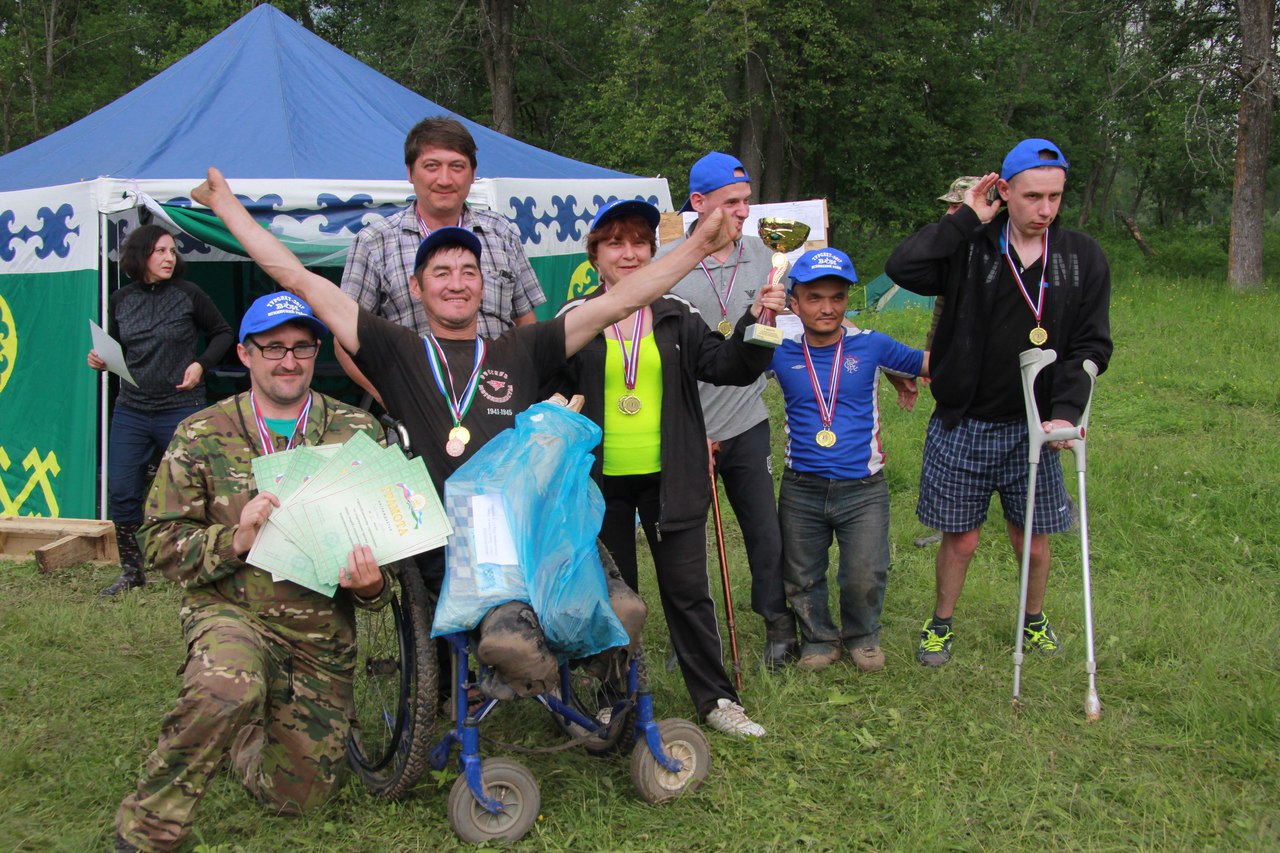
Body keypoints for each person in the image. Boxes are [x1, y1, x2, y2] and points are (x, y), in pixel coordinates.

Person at [189, 168, 768, 735]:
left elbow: (618, 302)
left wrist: (695, 246)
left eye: (469, 270)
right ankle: (514, 668)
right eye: (441, 271)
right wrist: (228, 208)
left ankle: (603, 693)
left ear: (485, 286)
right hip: (462, 552)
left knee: (625, 612)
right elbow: (301, 281)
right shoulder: (396, 351)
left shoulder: (522, 347)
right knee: (510, 644)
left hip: (534, 535)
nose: (458, 281)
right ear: (417, 289)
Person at [113, 293, 387, 853]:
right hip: (233, 612)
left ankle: (247, 731)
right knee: (224, 685)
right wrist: (234, 538)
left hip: (319, 635)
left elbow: (388, 550)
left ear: (317, 352)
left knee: (299, 799)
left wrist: (373, 586)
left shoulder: (358, 434)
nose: (289, 361)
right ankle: (149, 830)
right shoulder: (201, 434)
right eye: (273, 348)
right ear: (244, 353)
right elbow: (158, 542)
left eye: (302, 347)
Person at [559, 198, 784, 735]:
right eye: (616, 242)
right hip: (600, 484)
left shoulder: (677, 312)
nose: (630, 253)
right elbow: (552, 391)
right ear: (595, 255)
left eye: (639, 242)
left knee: (687, 593)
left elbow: (727, 365)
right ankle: (616, 698)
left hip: (671, 480)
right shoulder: (576, 319)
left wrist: (757, 321)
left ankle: (715, 701)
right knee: (615, 600)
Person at [884, 138, 1112, 667]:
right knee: (960, 540)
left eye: (1055, 196)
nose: (1046, 209)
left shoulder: (1081, 257)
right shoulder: (971, 246)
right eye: (1033, 196)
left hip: (1036, 426)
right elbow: (903, 267)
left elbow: (1091, 345)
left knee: (1032, 541)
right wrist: (966, 218)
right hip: (965, 419)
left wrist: (1066, 413)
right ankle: (941, 623)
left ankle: (1032, 621)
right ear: (1004, 191)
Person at [657, 151, 797, 668]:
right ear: (699, 203)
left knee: (764, 530)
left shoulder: (767, 254)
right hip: (688, 429)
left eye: (746, 201)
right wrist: (694, 433)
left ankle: (777, 625)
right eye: (731, 202)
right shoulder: (667, 262)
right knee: (685, 541)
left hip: (745, 419)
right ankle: (693, 635)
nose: (743, 212)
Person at [768, 249, 926, 672]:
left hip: (863, 489)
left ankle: (862, 635)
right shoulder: (779, 351)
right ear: (793, 303)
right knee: (801, 573)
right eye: (814, 298)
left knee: (865, 571)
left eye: (837, 298)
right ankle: (818, 637)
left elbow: (929, 364)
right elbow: (727, 369)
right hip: (801, 486)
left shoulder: (871, 345)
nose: (826, 308)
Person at [336, 115, 545, 404]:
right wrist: (389, 398)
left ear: (472, 174)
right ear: (410, 172)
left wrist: (525, 392)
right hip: (419, 404)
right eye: (431, 166)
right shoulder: (374, 242)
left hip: (499, 402)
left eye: (457, 166)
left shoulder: (503, 233)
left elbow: (527, 323)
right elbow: (343, 338)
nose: (444, 179)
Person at [88, 224, 233, 596]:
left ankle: (202, 565)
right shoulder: (121, 300)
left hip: (181, 409)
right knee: (121, 490)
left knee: (194, 491)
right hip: (132, 410)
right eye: (161, 251)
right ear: (141, 257)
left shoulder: (189, 294)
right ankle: (132, 573)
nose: (170, 257)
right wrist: (100, 359)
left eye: (172, 251)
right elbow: (115, 347)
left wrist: (201, 363)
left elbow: (223, 333)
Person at [914, 175, 981, 549]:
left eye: (957, 206)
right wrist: (932, 357)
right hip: (958, 366)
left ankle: (1050, 510)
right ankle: (950, 523)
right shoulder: (954, 247)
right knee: (953, 438)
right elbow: (941, 307)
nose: (949, 213)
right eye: (950, 205)